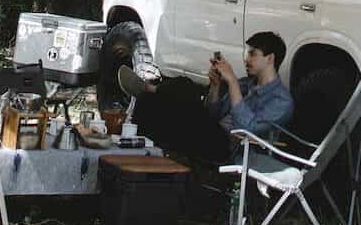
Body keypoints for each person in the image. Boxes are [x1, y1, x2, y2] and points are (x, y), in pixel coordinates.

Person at [117, 31, 294, 166]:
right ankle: (148, 93)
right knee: (170, 92)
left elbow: (245, 129)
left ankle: (150, 89)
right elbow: (214, 113)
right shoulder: (246, 83)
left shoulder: (280, 101)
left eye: (253, 54)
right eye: (247, 54)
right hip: (212, 132)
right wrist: (216, 86)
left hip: (231, 147)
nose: (246, 59)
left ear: (270, 58)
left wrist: (231, 81)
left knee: (181, 96)